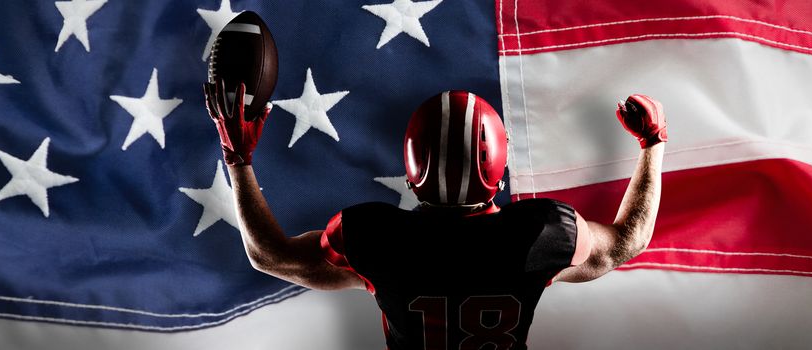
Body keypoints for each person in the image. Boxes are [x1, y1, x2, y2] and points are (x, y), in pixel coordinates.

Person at [202, 82, 666, 350]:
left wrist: (237, 157)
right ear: (499, 175)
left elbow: (269, 255)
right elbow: (630, 238)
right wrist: (653, 146)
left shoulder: (374, 236)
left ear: (411, 176)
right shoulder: (543, 232)